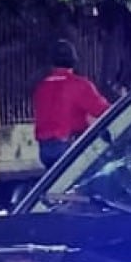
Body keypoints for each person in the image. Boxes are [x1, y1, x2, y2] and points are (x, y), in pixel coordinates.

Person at [33, 39, 110, 169]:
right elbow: (103, 111)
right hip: (68, 147)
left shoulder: (41, 87)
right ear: (74, 60)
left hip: (44, 149)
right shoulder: (79, 85)